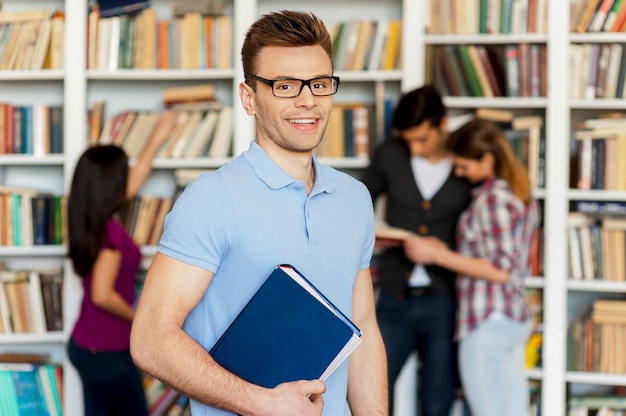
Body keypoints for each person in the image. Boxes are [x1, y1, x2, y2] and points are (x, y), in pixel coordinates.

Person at [129, 10, 387, 416]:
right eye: (285, 86)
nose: (308, 100)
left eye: (320, 84)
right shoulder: (211, 199)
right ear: (249, 98)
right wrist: (264, 403)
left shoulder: (354, 199)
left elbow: (364, 328)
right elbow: (149, 339)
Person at [403, 118, 539, 416]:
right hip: (509, 317)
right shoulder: (516, 194)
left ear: (487, 159)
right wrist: (444, 250)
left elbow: (499, 269)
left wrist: (435, 256)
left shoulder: (494, 198)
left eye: (464, 165)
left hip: (488, 318)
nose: (458, 172)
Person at [360, 85, 472, 416]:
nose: (414, 148)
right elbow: (359, 203)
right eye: (408, 140)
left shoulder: (466, 160)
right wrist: (374, 237)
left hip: (445, 300)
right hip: (394, 297)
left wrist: (442, 250)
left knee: (438, 397)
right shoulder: (390, 154)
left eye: (423, 139)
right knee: (373, 390)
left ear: (443, 125)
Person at [67, 111, 177, 415]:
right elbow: (102, 294)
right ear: (110, 187)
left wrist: (157, 136)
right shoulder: (112, 235)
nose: (128, 180)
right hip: (108, 351)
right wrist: (139, 316)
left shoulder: (91, 221)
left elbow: (131, 185)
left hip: (86, 344)